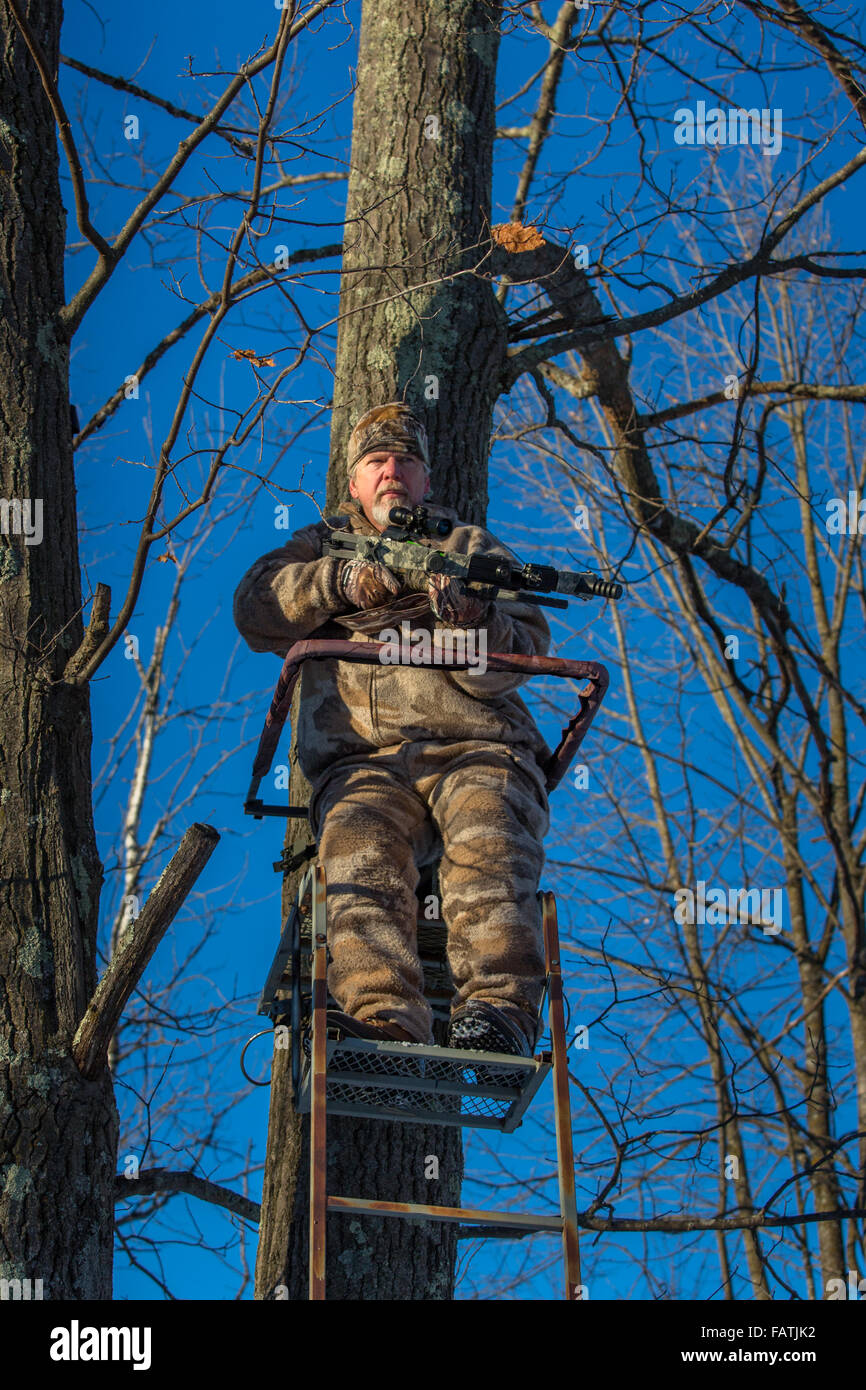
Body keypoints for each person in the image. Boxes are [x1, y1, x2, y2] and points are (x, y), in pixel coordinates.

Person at [233, 402, 553, 1058]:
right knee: (356, 854)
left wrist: (469, 620)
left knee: (491, 834)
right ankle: (384, 1022)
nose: (391, 472)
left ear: (426, 480)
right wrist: (340, 584)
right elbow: (256, 608)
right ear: (353, 483)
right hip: (363, 759)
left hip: (477, 745)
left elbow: (517, 659)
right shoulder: (318, 545)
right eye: (375, 462)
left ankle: (499, 1020)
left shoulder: (467, 548)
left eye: (405, 461)